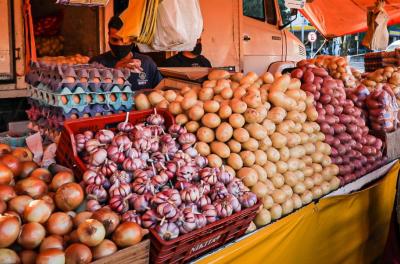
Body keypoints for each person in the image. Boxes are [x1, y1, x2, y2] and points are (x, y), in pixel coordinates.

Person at [90, 16, 163, 90]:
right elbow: (92, 94)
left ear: (132, 39)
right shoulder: (96, 63)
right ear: (108, 36)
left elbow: (161, 90)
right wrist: (114, 73)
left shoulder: (147, 63)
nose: (120, 44)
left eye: (125, 40)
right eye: (114, 40)